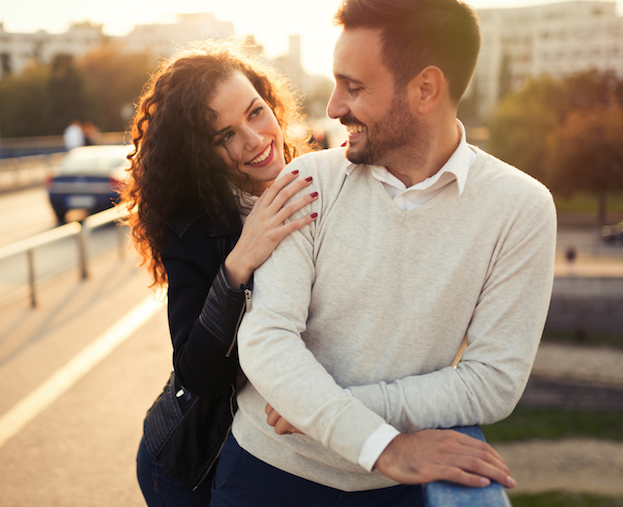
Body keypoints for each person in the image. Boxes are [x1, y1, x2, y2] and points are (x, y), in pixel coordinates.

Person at [210, 0, 557, 505]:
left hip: (392, 491)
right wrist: (382, 445)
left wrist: (337, 410)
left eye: (353, 87)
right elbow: (266, 339)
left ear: (425, 90)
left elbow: (492, 382)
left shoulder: (521, 208)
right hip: (267, 472)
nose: (332, 107)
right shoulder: (308, 181)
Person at [120, 41, 316, 507]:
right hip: (188, 464)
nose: (253, 139)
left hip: (279, 458)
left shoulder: (318, 182)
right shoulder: (192, 228)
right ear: (199, 154)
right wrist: (237, 264)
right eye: (223, 136)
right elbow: (196, 374)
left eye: (255, 112)